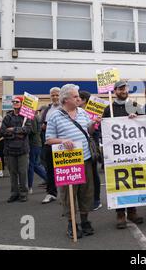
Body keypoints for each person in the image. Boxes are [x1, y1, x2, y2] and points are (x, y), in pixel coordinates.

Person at [46, 84, 100, 239]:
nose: (79, 99)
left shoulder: (83, 112)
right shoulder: (54, 116)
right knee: (68, 195)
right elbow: (48, 139)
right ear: (65, 99)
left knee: (86, 192)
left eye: (78, 96)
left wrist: (93, 123)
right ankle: (72, 223)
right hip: (68, 161)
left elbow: (88, 132)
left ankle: (85, 221)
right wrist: (62, 141)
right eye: (75, 97)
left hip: (86, 158)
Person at [103, 81, 144, 229]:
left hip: (134, 151)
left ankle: (132, 211)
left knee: (133, 181)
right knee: (120, 182)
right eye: (120, 89)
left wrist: (137, 118)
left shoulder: (135, 106)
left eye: (125, 88)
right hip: (117, 153)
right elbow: (104, 132)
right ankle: (120, 214)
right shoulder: (109, 109)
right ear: (114, 91)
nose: (123, 90)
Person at [0, 96, 32, 203]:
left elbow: (28, 130)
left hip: (22, 149)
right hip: (9, 150)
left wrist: (13, 129)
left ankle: (23, 193)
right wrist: (18, 134)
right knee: (12, 173)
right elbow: (3, 131)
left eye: (17, 101)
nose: (14, 103)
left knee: (23, 172)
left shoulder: (26, 117)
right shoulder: (7, 117)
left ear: (22, 103)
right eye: (13, 101)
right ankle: (14, 193)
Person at [79, 90, 103, 211]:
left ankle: (96, 199)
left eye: (78, 98)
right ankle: (86, 199)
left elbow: (94, 131)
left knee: (93, 173)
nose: (76, 100)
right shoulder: (78, 113)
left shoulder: (90, 113)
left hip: (91, 145)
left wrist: (94, 123)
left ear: (83, 100)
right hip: (82, 146)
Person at [40, 87, 61, 204]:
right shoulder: (47, 109)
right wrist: (43, 126)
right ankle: (51, 193)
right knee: (50, 170)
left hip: (62, 143)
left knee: (65, 170)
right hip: (49, 143)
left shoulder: (64, 108)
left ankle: (67, 194)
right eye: (53, 95)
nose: (55, 97)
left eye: (57, 95)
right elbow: (41, 125)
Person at [28, 110, 47, 194]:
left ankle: (29, 186)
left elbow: (33, 130)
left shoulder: (32, 117)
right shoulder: (36, 117)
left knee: (31, 165)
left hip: (33, 144)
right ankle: (49, 180)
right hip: (36, 143)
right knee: (35, 165)